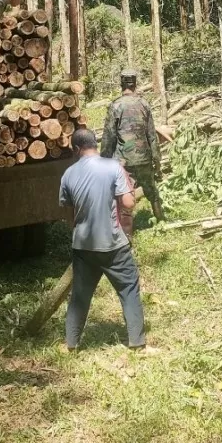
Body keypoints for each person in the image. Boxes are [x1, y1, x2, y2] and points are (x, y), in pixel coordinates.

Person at [58, 128, 149, 353]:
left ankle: (71, 343)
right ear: (94, 144)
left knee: (80, 295)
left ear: (77, 149)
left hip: (83, 245)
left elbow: (67, 212)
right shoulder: (112, 166)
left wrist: (77, 230)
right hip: (113, 244)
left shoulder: (68, 174)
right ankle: (137, 342)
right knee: (128, 288)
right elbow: (128, 204)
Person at [101, 69, 164, 222]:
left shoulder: (115, 106)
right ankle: (161, 220)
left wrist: (104, 159)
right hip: (144, 159)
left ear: (121, 84)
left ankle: (121, 227)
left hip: (123, 161)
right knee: (152, 192)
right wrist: (156, 160)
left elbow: (109, 135)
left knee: (121, 194)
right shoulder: (144, 104)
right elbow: (151, 136)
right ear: (135, 84)